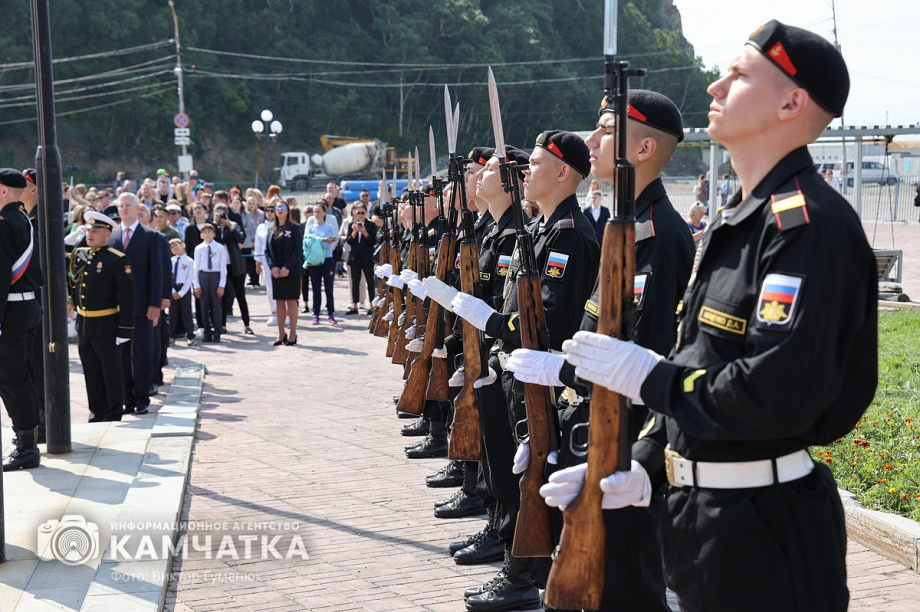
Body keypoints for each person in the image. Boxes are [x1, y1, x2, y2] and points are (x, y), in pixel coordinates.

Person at [549, 21, 877, 612]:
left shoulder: (806, 225)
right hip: (706, 521)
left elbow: (774, 390)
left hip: (765, 532)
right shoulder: (736, 221)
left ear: (791, 102)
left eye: (739, 75)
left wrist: (650, 379)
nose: (715, 87)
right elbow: (701, 360)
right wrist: (641, 467)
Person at [507, 89, 695, 611]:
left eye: (608, 130)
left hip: (627, 436)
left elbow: (648, 353)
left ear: (644, 149)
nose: (591, 140)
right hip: (593, 423)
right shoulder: (623, 229)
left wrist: (564, 372)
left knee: (627, 584)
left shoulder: (660, 235)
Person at [444, 132, 601, 612]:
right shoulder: (539, 230)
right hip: (515, 367)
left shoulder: (570, 233)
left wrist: (494, 324)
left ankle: (522, 574)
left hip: (541, 374)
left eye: (534, 164)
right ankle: (518, 561)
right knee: (515, 473)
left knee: (533, 476)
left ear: (562, 173)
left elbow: (547, 319)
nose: (525, 172)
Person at [68, 211, 136, 422]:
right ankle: (96, 410)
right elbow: (74, 287)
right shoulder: (80, 255)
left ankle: (113, 412)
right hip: (85, 324)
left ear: (107, 234)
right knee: (91, 371)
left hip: (107, 325)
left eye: (96, 230)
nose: (91, 234)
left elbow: (128, 296)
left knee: (111, 371)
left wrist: (124, 329)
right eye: (89, 230)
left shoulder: (116, 259)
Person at [0, 169, 43, 470]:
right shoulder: (23, 218)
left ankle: (27, 447)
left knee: (11, 379)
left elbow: (2, 276)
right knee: (20, 376)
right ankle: (26, 439)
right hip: (27, 308)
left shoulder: (4, 224)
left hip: (11, 312)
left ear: (3, 191)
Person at [109, 192, 164, 416]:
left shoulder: (150, 236)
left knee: (141, 353)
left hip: (142, 306)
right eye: (121, 206)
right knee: (120, 354)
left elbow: (156, 273)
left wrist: (155, 304)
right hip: (117, 306)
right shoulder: (111, 236)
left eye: (128, 205)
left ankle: (142, 397)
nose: (124, 209)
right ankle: (127, 396)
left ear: (138, 208)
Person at [265, 198, 305, 344]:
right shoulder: (271, 230)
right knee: (279, 302)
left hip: (291, 270)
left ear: (287, 210)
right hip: (276, 271)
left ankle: (293, 334)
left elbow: (297, 250)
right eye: (277, 207)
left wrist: (287, 267)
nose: (279, 209)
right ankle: (281, 334)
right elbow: (267, 251)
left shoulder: (294, 228)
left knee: (291, 301)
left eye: (282, 207)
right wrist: (273, 267)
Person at [212, 202, 252, 335]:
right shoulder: (213, 228)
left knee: (240, 295)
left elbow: (241, 238)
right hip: (219, 267)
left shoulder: (233, 226)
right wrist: (217, 225)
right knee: (221, 296)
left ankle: (247, 324)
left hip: (234, 265)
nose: (220, 217)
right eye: (217, 213)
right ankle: (222, 324)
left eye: (223, 214)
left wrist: (229, 225)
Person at [191, 223, 228, 343]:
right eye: (204, 232)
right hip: (203, 275)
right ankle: (207, 332)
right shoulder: (198, 248)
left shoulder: (220, 248)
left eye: (209, 232)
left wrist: (221, 284)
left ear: (214, 234)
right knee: (203, 305)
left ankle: (217, 332)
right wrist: (196, 285)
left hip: (215, 276)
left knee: (216, 306)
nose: (207, 234)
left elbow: (223, 267)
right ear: (201, 235)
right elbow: (195, 267)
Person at [304, 201, 338, 326]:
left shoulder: (330, 227)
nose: (316, 214)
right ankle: (316, 314)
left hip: (327, 259)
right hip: (314, 261)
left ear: (324, 212)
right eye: (314, 212)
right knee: (316, 289)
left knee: (329, 288)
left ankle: (331, 314)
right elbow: (308, 243)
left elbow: (329, 244)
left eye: (318, 211)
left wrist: (317, 241)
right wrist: (323, 239)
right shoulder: (311, 228)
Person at [345, 203, 377, 314]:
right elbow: (349, 241)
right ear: (354, 213)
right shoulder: (351, 225)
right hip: (355, 257)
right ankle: (355, 305)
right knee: (355, 281)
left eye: (362, 213)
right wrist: (354, 232)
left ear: (366, 213)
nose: (360, 215)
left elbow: (373, 241)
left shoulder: (371, 225)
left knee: (370, 281)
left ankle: (372, 305)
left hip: (367, 257)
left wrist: (364, 232)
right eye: (358, 213)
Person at [168, 238, 196, 346]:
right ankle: (171, 335)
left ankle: (190, 335)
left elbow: (189, 278)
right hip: (173, 288)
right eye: (172, 246)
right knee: (172, 313)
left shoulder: (189, 261)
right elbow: (168, 277)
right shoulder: (171, 261)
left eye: (176, 245)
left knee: (186, 313)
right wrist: (173, 291)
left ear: (183, 245)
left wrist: (181, 292)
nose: (174, 248)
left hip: (184, 288)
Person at [253, 202, 277, 325]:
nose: (270, 213)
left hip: (279, 260)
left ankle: (286, 313)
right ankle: (273, 312)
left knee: (282, 287)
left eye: (272, 210)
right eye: (267, 210)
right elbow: (258, 246)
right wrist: (258, 263)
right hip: (266, 261)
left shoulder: (280, 225)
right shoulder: (261, 227)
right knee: (270, 287)